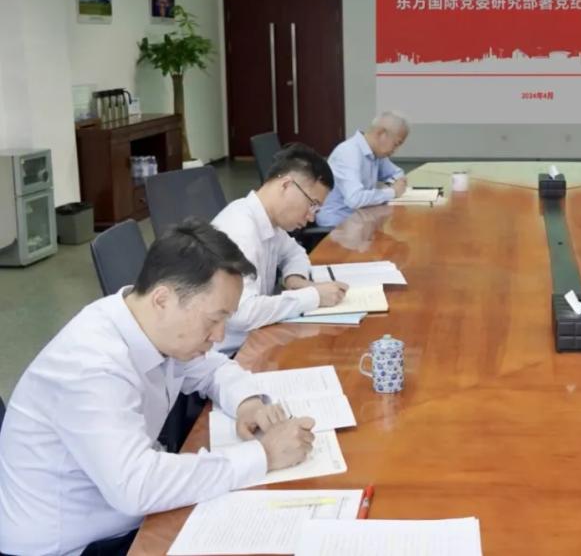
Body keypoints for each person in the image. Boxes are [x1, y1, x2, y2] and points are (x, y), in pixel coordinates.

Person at [0, 220, 316, 556]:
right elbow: (137, 486)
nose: (220, 336)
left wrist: (247, 403)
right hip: (74, 546)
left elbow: (213, 368)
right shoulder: (92, 366)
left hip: (120, 517)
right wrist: (264, 454)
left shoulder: (147, 321)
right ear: (163, 299)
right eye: (214, 320)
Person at [212, 143, 348, 354]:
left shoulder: (269, 221)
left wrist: (295, 279)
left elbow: (294, 252)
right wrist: (313, 296)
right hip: (231, 354)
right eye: (312, 204)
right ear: (286, 185)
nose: (311, 217)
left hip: (258, 338)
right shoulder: (240, 230)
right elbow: (241, 314)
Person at [316, 111, 410, 228]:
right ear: (381, 134)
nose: (396, 150)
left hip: (360, 219)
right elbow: (355, 199)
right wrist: (392, 191)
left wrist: (394, 184)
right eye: (396, 144)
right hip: (337, 225)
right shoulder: (349, 153)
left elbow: (398, 173)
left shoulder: (376, 153)